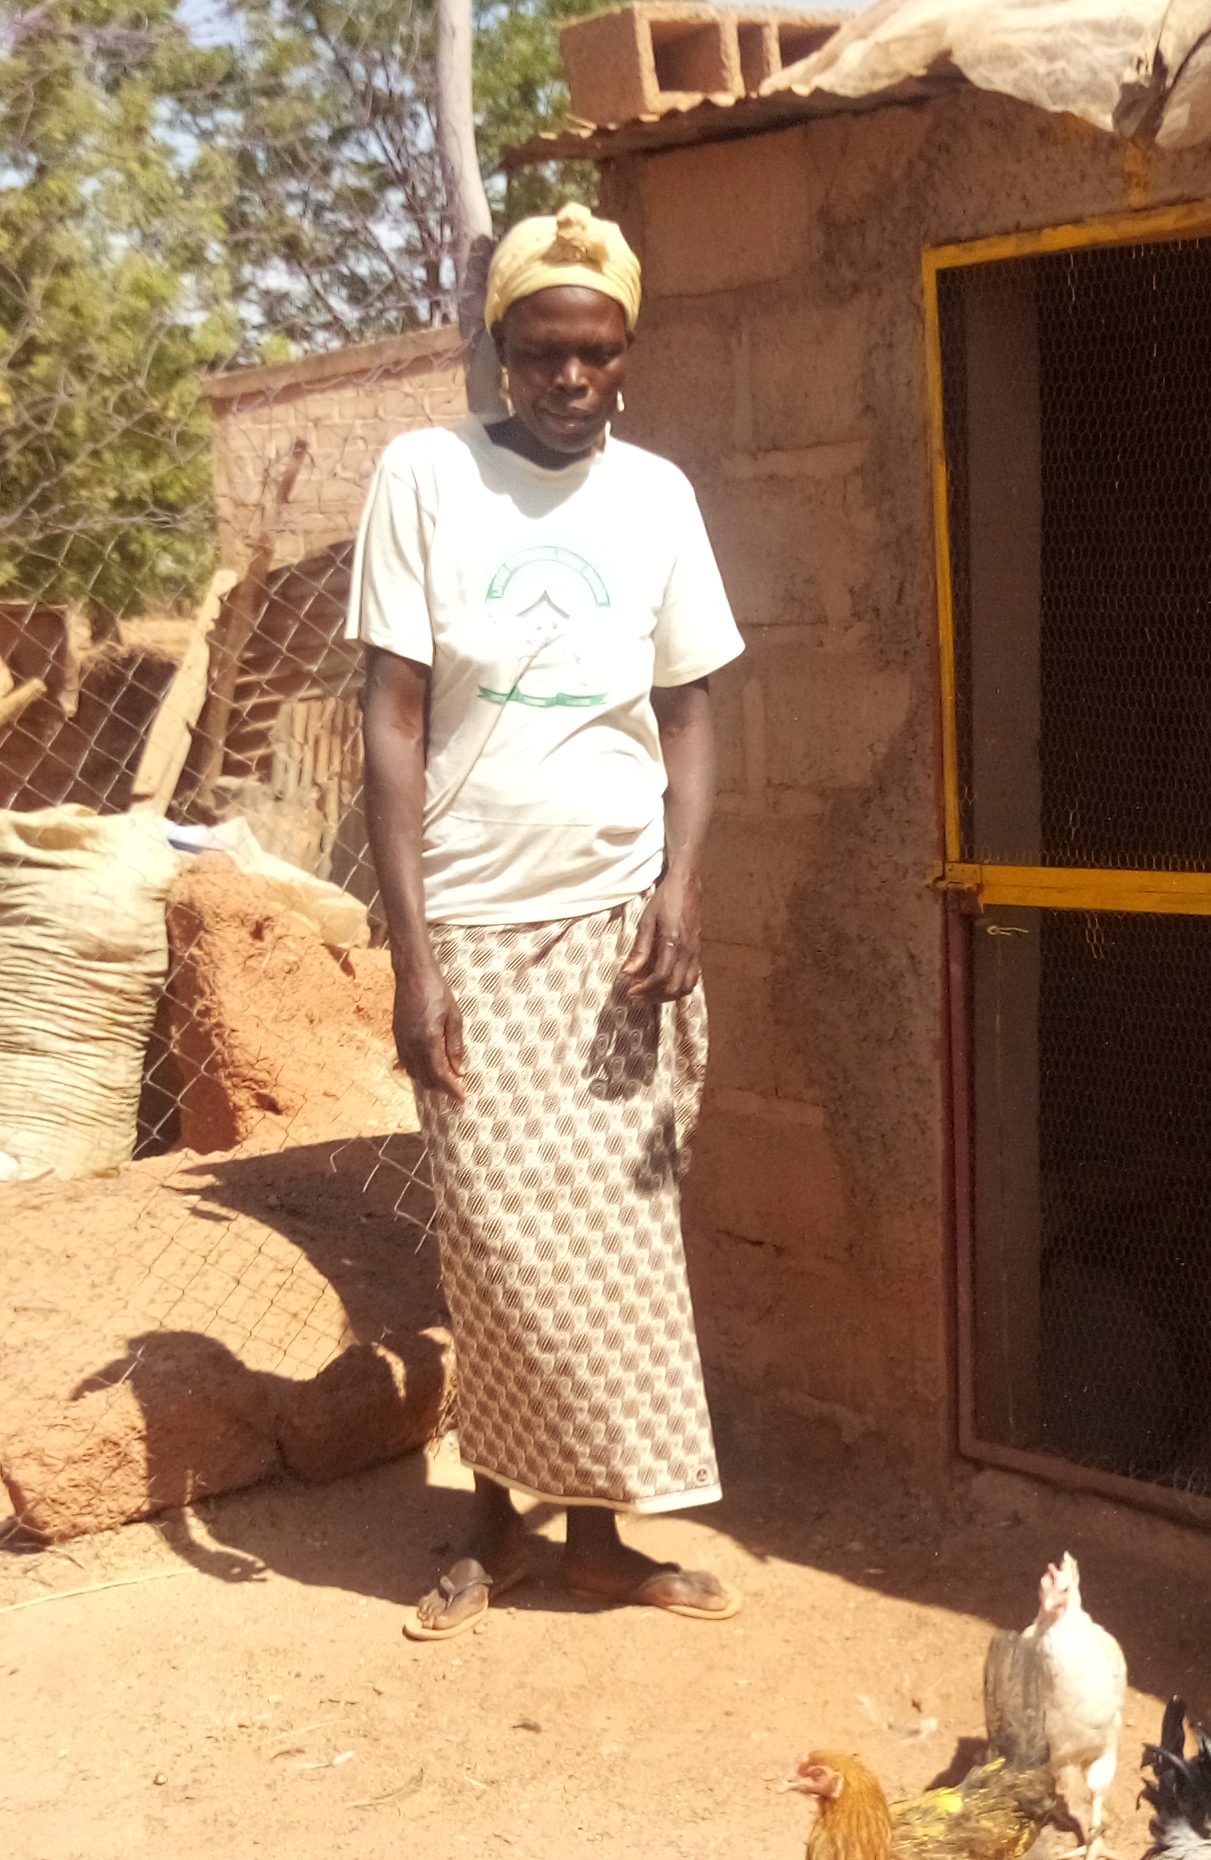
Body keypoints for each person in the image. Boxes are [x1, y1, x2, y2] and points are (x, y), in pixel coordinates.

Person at [349, 202, 744, 1639]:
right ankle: (491, 1521)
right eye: (539, 355)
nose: (570, 382)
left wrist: (679, 894)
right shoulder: (425, 477)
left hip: (616, 934)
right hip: (471, 920)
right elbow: (389, 723)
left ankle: (595, 1536)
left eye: (596, 356)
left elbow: (689, 715)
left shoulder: (656, 498)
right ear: (498, 352)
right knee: (495, 1242)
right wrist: (411, 958)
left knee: (621, 1247)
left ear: (625, 355)